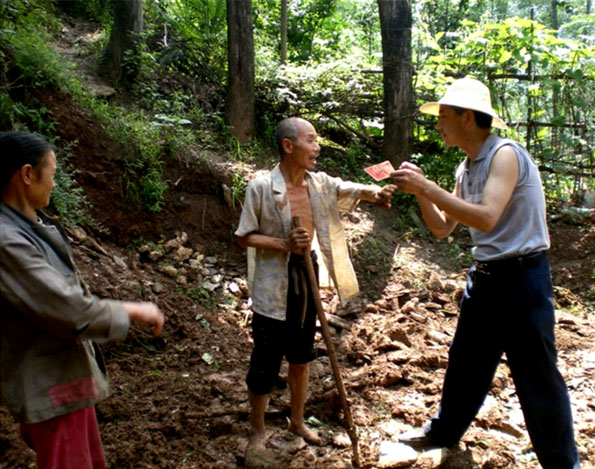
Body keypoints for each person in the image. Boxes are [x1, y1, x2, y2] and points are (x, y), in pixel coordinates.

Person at [391, 77, 579, 468]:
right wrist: (423, 193)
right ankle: (443, 432)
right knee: (466, 363)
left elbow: (488, 217)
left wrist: (428, 186)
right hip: (486, 278)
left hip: (523, 280)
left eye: (444, 115)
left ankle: (561, 463)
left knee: (537, 377)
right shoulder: (466, 167)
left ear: (467, 118)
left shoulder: (504, 155)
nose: (438, 124)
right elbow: (443, 228)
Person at [0, 131, 165, 469]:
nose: (54, 184)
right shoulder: (7, 240)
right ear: (27, 174)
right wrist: (131, 310)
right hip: (51, 389)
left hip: (66, 383)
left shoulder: (29, 225)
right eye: (52, 174)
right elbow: (68, 307)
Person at [235, 117, 396, 462]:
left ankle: (297, 421)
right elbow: (244, 236)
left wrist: (375, 193)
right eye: (310, 140)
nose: (317, 147)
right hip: (272, 284)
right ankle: (257, 432)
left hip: (306, 278)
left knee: (301, 356)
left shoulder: (318, 184)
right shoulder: (261, 187)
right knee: (265, 362)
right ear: (288, 146)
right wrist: (283, 242)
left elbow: (347, 188)